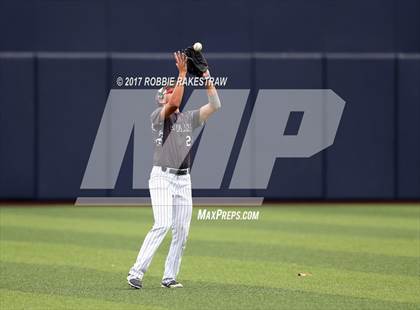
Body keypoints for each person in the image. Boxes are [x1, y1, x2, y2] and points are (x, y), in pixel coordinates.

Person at [127, 51, 221, 289]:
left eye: (173, 87)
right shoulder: (158, 116)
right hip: (161, 177)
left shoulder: (188, 119)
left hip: (183, 180)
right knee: (162, 223)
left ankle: (169, 277)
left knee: (182, 230)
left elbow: (215, 105)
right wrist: (181, 74)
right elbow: (175, 102)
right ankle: (136, 272)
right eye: (168, 90)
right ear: (161, 99)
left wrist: (206, 75)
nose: (172, 91)